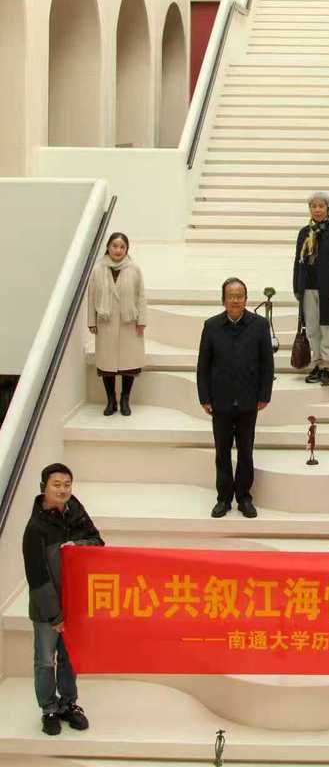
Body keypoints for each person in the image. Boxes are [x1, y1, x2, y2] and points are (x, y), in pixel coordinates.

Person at [22, 463, 104, 736]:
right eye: (56, 484)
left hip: (75, 603)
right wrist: (55, 616)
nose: (63, 490)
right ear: (43, 487)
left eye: (67, 484)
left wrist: (77, 546)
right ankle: (48, 708)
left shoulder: (76, 511)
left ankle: (68, 703)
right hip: (47, 609)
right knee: (45, 660)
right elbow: (37, 577)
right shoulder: (35, 528)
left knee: (69, 658)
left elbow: (97, 541)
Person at [196, 277, 274, 519]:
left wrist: (264, 395)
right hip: (220, 401)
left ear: (246, 299)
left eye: (240, 296)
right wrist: (204, 397)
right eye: (231, 296)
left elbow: (267, 364)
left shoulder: (259, 326)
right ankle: (223, 498)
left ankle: (244, 497)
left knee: (245, 452)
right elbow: (203, 365)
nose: (236, 300)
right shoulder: (211, 326)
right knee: (222, 453)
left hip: (249, 400)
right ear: (223, 300)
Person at [293, 190, 329, 387]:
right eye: (314, 206)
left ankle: (327, 366)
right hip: (307, 288)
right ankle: (317, 364)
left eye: (321, 206)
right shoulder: (304, 233)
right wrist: (297, 288)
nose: (317, 210)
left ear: (327, 208)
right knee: (313, 329)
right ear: (309, 209)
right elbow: (297, 262)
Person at [87, 231, 147, 416]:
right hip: (106, 323)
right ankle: (111, 400)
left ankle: (125, 399)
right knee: (107, 366)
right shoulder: (98, 269)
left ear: (127, 249)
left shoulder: (134, 269)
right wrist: (91, 321)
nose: (118, 250)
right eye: (115, 246)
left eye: (122, 247)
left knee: (129, 364)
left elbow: (141, 296)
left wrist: (142, 321)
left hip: (129, 323)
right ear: (108, 247)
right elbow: (91, 297)